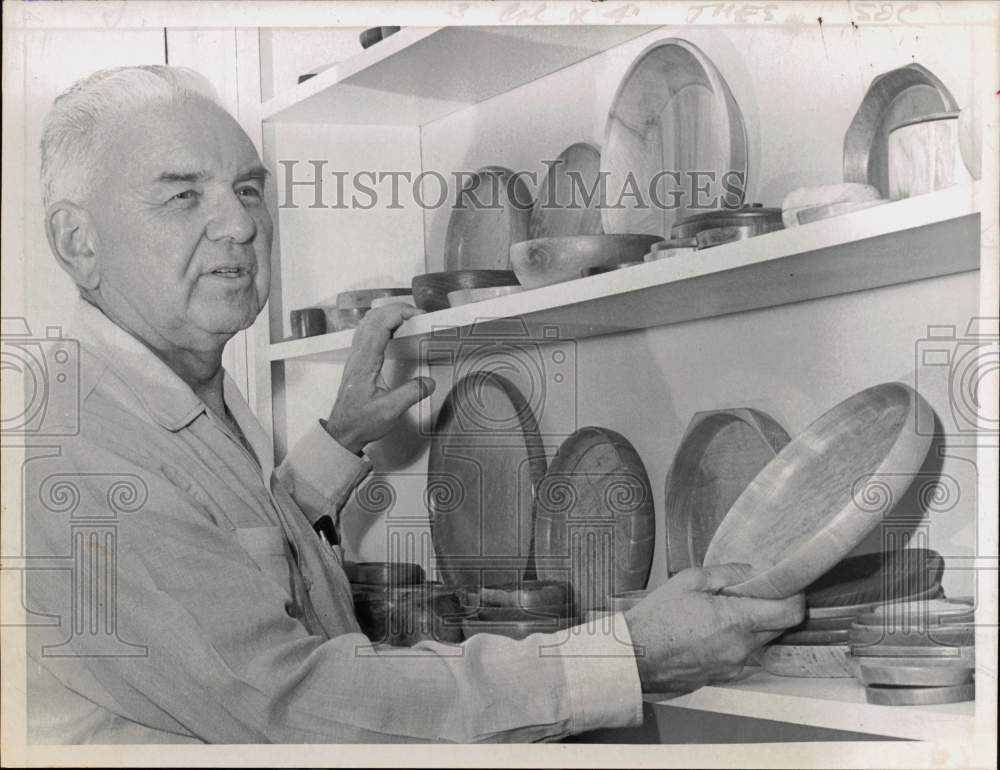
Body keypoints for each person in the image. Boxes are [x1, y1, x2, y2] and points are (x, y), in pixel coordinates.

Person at [24, 65, 804, 744]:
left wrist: (335, 445)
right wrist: (629, 657)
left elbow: (221, 557)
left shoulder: (174, 387)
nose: (238, 224)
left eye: (248, 189)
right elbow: (294, 708)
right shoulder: (83, 450)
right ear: (77, 242)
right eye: (182, 196)